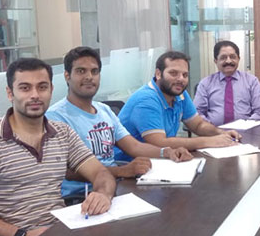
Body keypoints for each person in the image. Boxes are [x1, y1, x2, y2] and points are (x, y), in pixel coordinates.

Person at [0, 58, 116, 236]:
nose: (35, 95)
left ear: (51, 90)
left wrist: (103, 194)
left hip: (61, 234)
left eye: (42, 87)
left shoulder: (62, 133)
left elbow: (101, 173)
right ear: (10, 93)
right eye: (25, 88)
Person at [47, 47, 192, 197]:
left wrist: (167, 152)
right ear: (67, 76)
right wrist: (121, 171)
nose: (89, 77)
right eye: (81, 71)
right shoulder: (55, 117)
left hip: (115, 187)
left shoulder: (104, 110)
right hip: (82, 196)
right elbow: (67, 171)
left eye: (94, 71)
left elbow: (134, 146)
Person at [117, 51, 241, 158]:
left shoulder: (179, 94)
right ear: (158, 74)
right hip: (128, 165)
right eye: (174, 73)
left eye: (185, 75)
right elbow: (159, 143)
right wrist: (210, 141)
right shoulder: (146, 99)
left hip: (162, 160)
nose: (181, 79)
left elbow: (198, 125)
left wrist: (221, 133)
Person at [194, 40, 260, 126]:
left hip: (246, 131)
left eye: (233, 57)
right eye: (223, 57)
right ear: (215, 60)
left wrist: (245, 126)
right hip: (213, 132)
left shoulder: (252, 81)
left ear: (238, 59)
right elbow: (197, 112)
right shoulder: (205, 83)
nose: (228, 61)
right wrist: (211, 129)